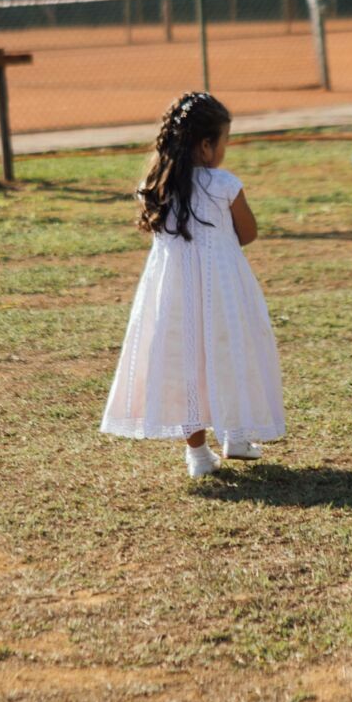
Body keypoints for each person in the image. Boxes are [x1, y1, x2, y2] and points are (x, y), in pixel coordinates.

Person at [101, 90, 285, 478]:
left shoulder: (156, 185)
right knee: (229, 350)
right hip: (224, 290)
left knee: (184, 363)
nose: (224, 151)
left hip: (173, 293)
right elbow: (248, 233)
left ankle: (199, 456)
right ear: (206, 146)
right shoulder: (224, 184)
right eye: (224, 142)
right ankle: (236, 435)